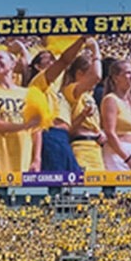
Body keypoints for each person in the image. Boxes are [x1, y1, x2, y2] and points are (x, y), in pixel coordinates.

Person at [0, 46, 47, 173]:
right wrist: (25, 125)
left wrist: (37, 159)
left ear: (12, 64)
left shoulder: (29, 93)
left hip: (25, 162)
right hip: (1, 161)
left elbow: (36, 131)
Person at [26, 36, 90, 172]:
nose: (53, 62)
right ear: (37, 66)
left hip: (64, 139)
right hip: (50, 136)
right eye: (48, 59)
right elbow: (64, 61)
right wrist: (82, 40)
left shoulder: (59, 90)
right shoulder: (38, 83)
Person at [98, 58, 131, 171]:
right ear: (116, 78)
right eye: (128, 73)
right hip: (118, 153)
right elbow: (110, 132)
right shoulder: (111, 100)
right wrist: (128, 159)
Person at [63, 53, 107, 172]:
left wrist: (101, 133)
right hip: (81, 147)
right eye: (90, 74)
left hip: (96, 149)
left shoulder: (89, 96)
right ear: (79, 74)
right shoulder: (71, 90)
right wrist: (95, 51)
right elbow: (70, 129)